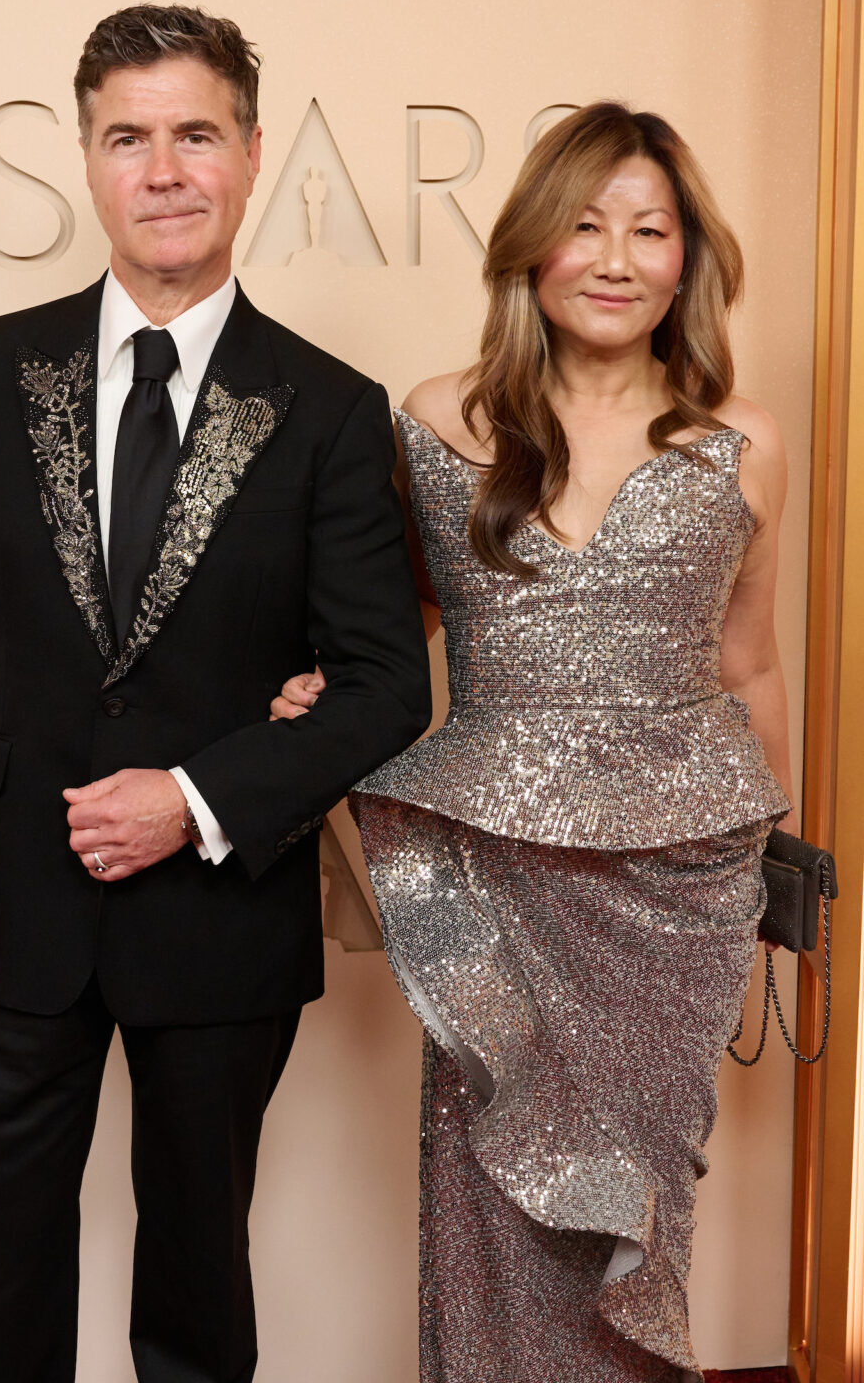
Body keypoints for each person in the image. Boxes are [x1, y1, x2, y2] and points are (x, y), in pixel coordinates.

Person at [0, 3, 430, 1383]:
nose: (164, 167)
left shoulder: (327, 407)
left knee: (196, 1282)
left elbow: (379, 685)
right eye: (129, 137)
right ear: (86, 160)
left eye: (195, 133)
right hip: (11, 905)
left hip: (219, 917)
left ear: (248, 153)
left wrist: (194, 800)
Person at [272, 102, 794, 1382]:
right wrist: (316, 695)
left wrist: (788, 857)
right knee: (488, 1189)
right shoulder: (438, 420)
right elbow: (391, 636)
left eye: (650, 229)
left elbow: (751, 662)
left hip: (679, 892)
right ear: (531, 251)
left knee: (645, 1204)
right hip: (488, 874)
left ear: (688, 259)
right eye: (584, 224)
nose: (616, 258)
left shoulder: (748, 442)